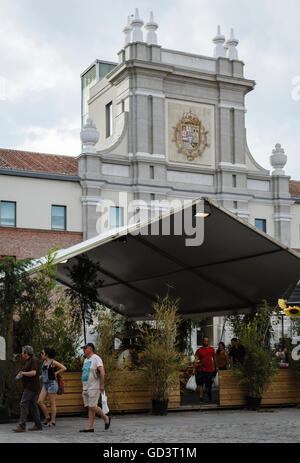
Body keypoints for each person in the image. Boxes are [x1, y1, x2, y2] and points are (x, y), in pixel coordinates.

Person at [80, 342, 111, 433]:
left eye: (85, 348)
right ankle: (90, 426)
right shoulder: (86, 360)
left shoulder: (96, 358)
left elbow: (102, 371)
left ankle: (106, 418)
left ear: (91, 349)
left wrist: (101, 385)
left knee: (92, 406)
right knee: (90, 407)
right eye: (83, 348)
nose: (84, 350)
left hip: (94, 386)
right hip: (86, 386)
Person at [13, 345, 42, 433]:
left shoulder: (34, 360)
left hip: (31, 386)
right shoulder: (29, 360)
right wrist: (22, 374)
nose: (22, 354)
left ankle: (22, 425)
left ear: (26, 353)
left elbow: (33, 373)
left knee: (23, 403)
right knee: (33, 406)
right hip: (30, 386)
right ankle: (38, 425)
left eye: (23, 352)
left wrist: (23, 373)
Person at [38, 348, 67, 427]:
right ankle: (47, 417)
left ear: (46, 355)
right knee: (40, 401)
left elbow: (64, 368)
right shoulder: (44, 362)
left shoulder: (53, 362)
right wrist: (41, 376)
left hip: (52, 384)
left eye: (42, 353)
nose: (41, 354)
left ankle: (53, 421)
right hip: (45, 384)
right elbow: (45, 372)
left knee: (52, 403)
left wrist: (56, 373)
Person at [193, 336, 216, 403]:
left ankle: (209, 395)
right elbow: (195, 360)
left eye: (207, 341)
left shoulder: (212, 349)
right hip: (201, 369)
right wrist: (194, 369)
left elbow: (214, 359)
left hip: (210, 370)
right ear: (202, 342)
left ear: (208, 342)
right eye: (204, 341)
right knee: (200, 384)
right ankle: (201, 397)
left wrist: (216, 368)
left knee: (208, 385)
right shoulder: (199, 350)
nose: (206, 342)